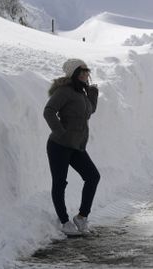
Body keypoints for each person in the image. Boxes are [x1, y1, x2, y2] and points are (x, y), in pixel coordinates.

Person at [43, 58, 100, 236]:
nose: (85, 73)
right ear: (73, 73)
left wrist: (92, 95)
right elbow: (49, 111)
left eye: (86, 70)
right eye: (81, 70)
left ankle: (82, 217)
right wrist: (60, 132)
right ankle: (65, 221)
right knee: (60, 183)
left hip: (76, 146)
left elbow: (88, 112)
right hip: (59, 145)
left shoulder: (81, 92)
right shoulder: (65, 91)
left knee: (92, 177)